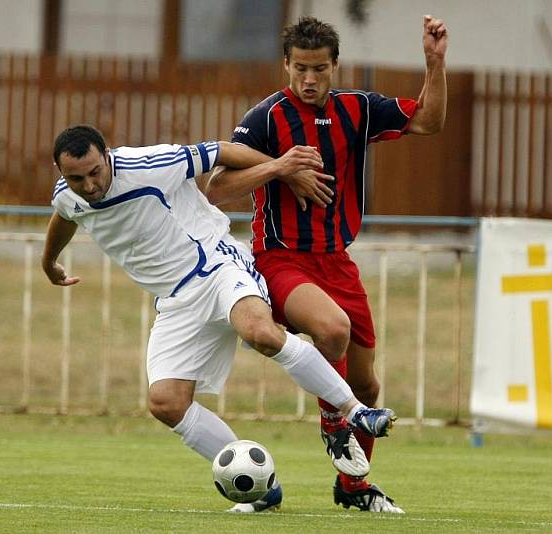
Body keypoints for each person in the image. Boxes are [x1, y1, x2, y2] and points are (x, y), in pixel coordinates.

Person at [42, 124, 398, 513]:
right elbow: (64, 216)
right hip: (176, 300)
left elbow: (223, 150)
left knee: (261, 331)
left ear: (107, 155)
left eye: (95, 172)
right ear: (62, 173)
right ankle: (263, 488)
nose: (90, 185)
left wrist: (282, 167)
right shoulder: (68, 195)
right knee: (166, 403)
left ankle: (356, 412)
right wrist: (50, 262)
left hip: (216, 264)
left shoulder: (150, 163)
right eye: (77, 178)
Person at [206, 15, 448, 514]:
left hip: (338, 262)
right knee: (332, 330)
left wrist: (434, 62)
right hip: (281, 259)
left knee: (367, 385)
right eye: (300, 69)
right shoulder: (267, 118)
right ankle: (335, 424)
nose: (309, 79)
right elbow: (218, 187)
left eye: (318, 68)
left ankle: (354, 488)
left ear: (335, 65)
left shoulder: (358, 109)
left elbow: (429, 120)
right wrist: (281, 168)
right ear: (286, 66)